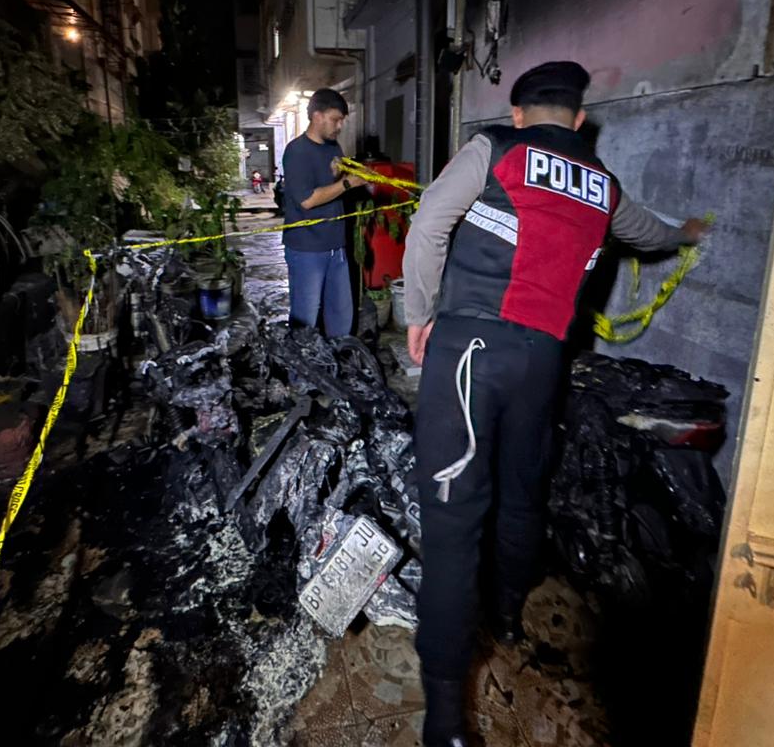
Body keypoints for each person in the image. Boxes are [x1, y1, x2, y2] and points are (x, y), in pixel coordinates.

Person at [402, 61, 708, 747]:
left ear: (517, 114)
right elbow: (651, 234)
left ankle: (446, 722)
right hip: (542, 365)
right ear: (577, 118)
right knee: (521, 498)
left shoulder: (496, 150)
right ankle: (509, 620)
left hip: (469, 356)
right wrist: (689, 233)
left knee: (453, 526)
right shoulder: (602, 183)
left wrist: (418, 313)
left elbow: (427, 226)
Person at [280, 88, 366, 336]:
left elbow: (332, 178)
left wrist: (342, 170)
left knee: (341, 314)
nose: (339, 126)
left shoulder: (333, 147)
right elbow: (306, 200)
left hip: (335, 245)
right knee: (305, 317)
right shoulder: (297, 151)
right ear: (317, 116)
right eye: (335, 119)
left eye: (342, 120)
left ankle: (338, 365)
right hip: (306, 248)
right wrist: (347, 182)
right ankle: (301, 373)